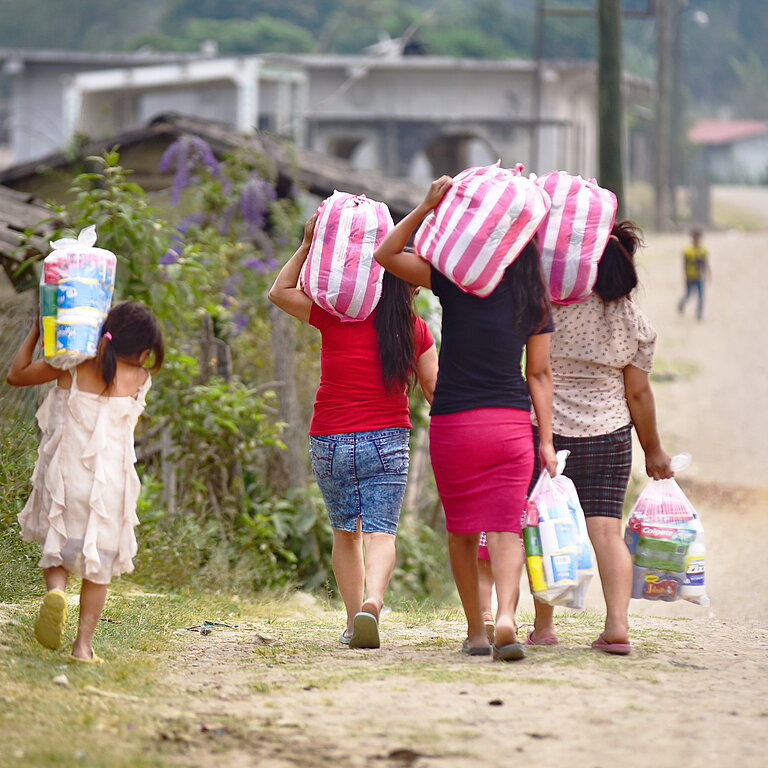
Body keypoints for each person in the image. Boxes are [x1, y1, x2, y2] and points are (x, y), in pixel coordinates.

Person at [374, 177, 557, 662]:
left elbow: (387, 255)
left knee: (460, 528)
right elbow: (538, 374)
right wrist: (546, 441)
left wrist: (425, 207)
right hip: (510, 424)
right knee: (505, 529)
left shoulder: (454, 279)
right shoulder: (535, 296)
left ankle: (476, 631)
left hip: (455, 423)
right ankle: (506, 618)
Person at [268, 215, 438, 650]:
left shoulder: (335, 316)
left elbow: (279, 292)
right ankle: (373, 603)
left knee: (347, 532)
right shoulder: (415, 331)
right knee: (382, 532)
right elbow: (436, 391)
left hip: (330, 438)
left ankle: (351, 622)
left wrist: (307, 242)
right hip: (387, 439)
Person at [527, 221, 673, 654]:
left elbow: (536, 370)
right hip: (609, 435)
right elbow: (638, 393)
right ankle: (617, 627)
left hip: (548, 434)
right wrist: (654, 449)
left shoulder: (551, 307)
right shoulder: (635, 321)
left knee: (546, 529)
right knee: (607, 532)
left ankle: (544, 627)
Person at [7, 301, 164, 662]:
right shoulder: (141, 380)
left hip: (66, 477)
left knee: (58, 547)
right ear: (143, 348)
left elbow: (16, 375)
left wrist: (38, 330)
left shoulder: (72, 366)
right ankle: (82, 647)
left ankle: (57, 591)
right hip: (112, 484)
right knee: (99, 566)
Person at [677, 226, 710, 321]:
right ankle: (681, 304)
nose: (697, 239)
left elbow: (706, 263)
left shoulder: (703, 250)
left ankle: (699, 313)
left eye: (699, 237)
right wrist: (685, 276)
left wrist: (707, 274)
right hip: (690, 277)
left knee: (701, 296)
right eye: (695, 237)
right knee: (688, 294)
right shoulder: (687, 250)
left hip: (700, 277)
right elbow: (684, 264)